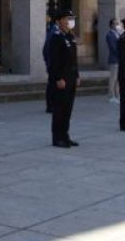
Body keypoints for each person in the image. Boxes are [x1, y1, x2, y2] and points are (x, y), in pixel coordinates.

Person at [47, 10, 80, 148]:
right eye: (67, 18)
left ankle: (65, 135)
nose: (70, 21)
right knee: (60, 109)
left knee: (68, 108)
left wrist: (77, 75)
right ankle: (57, 137)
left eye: (71, 18)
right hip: (62, 78)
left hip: (71, 76)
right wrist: (58, 78)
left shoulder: (70, 36)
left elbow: (74, 59)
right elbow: (54, 61)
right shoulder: (56, 37)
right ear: (59, 21)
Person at [42, 11, 60, 113]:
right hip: (53, 63)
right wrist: (49, 62)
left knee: (53, 84)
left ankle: (53, 104)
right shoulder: (53, 32)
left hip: (54, 63)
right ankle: (50, 105)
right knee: (52, 84)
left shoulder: (58, 31)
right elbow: (47, 48)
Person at [105, 18, 122, 104]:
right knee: (113, 79)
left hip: (119, 59)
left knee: (118, 79)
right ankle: (111, 96)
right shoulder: (110, 35)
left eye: (117, 23)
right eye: (115, 24)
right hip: (114, 60)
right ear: (111, 25)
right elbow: (113, 48)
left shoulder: (118, 34)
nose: (117, 25)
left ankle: (117, 95)